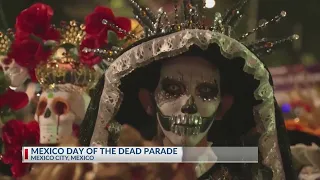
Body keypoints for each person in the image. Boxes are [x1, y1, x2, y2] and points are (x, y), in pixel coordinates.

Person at [80, 0, 298, 179]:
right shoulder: (127, 170)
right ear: (148, 101)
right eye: (173, 89)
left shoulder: (241, 171)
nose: (189, 105)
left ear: (222, 107)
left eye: (206, 92)